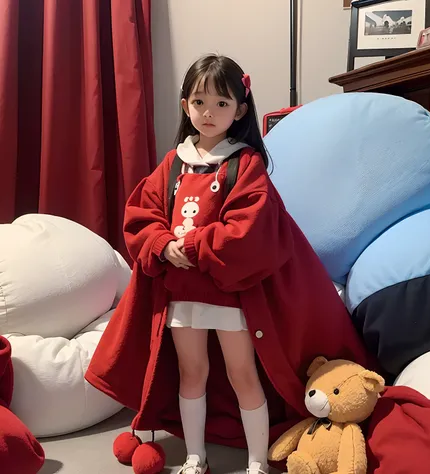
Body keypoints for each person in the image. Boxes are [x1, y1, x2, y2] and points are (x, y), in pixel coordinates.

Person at [85, 54, 372, 474]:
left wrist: (198, 244)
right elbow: (142, 215)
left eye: (221, 103)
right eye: (199, 101)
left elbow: (251, 226)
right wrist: (162, 244)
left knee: (242, 373)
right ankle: (195, 456)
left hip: (230, 293)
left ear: (240, 109)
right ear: (186, 106)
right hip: (182, 294)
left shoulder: (246, 163)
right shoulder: (172, 165)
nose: (209, 112)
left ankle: (257, 460)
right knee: (191, 372)